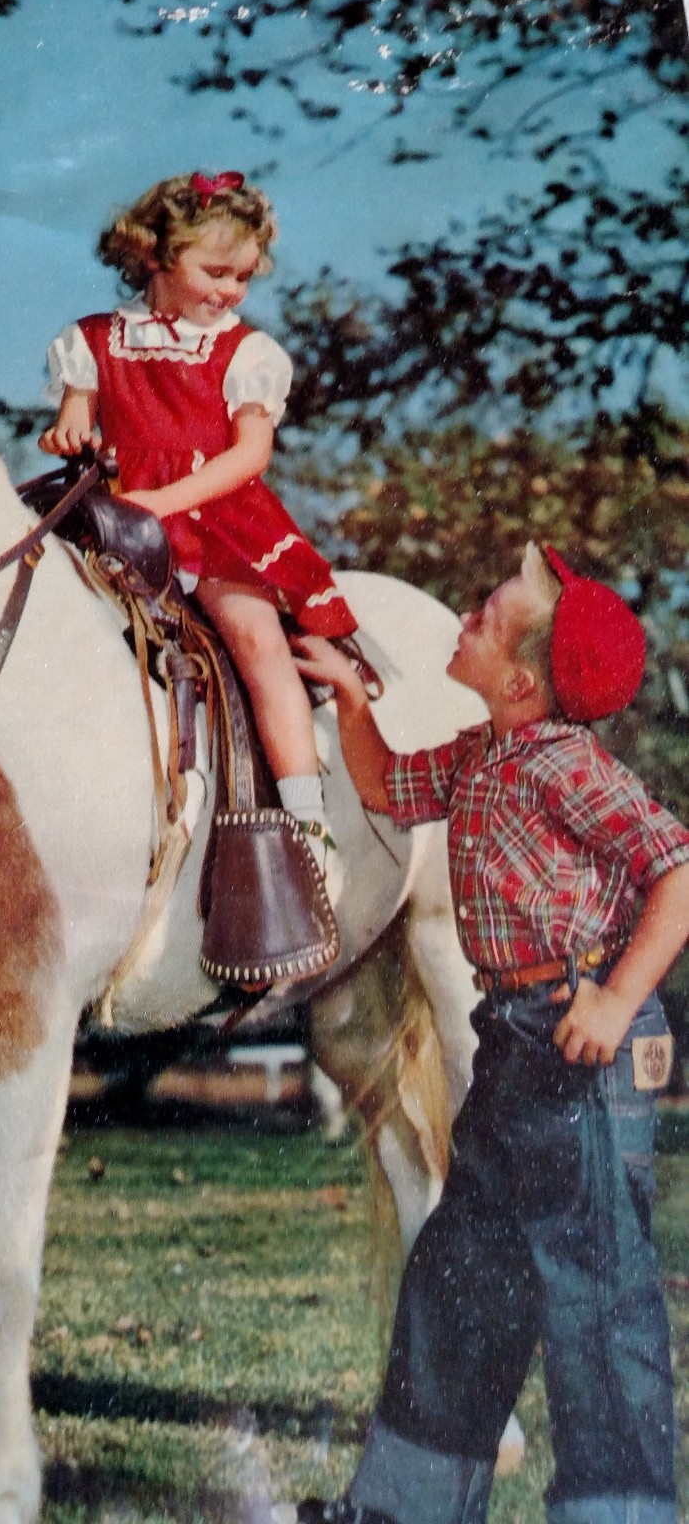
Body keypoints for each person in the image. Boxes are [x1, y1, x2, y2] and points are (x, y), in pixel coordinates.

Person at [286, 542, 689, 1524]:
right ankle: (407, 1505)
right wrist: (348, 698)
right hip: (513, 1039)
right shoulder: (480, 756)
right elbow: (383, 788)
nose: (463, 614)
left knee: (596, 1297)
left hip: (583, 1037)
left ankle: (619, 1513)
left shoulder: (568, 769)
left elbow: (677, 868)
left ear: (517, 678)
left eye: (485, 611)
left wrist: (611, 996)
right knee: (461, 1273)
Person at [40, 169, 358, 875]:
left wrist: (161, 502)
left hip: (212, 515)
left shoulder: (244, 351)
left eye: (243, 277)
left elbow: (250, 455)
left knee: (253, 633)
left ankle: (305, 809)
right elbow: (76, 418)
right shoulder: (93, 340)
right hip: (114, 517)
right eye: (215, 271)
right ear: (156, 256)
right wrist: (70, 430)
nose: (230, 291)